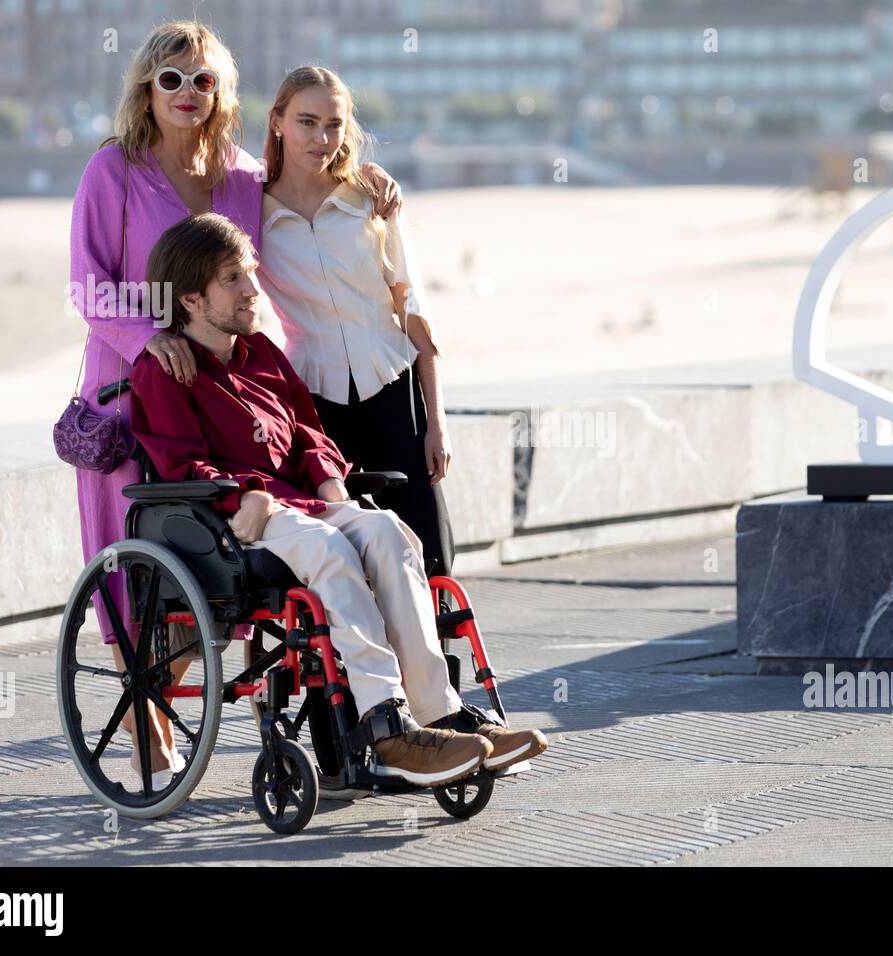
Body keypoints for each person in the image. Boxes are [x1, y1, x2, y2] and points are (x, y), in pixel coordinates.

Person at [69, 21, 400, 785]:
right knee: (132, 564)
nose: (188, 93)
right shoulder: (112, 171)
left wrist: (367, 184)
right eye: (171, 79)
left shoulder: (243, 175)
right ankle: (146, 715)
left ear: (222, 91)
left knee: (228, 552)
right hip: (130, 388)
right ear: (147, 89)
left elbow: (308, 181)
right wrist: (151, 336)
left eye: (203, 80)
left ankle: (284, 704)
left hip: (219, 392)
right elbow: (86, 283)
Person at [129, 212, 548, 785]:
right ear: (192, 300)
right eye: (233, 279)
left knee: (390, 533)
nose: (253, 289)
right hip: (236, 520)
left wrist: (330, 480)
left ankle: (440, 711)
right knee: (329, 547)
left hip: (302, 504)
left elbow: (306, 432)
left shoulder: (263, 354)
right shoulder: (164, 374)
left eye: (249, 273)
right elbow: (179, 464)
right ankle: (386, 726)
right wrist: (244, 494)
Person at [257, 66, 455, 579]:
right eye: (306, 121)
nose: (321, 138)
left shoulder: (372, 200)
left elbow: (414, 315)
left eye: (333, 124)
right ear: (277, 120)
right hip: (314, 406)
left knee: (428, 556)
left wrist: (437, 424)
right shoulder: (250, 213)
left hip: (395, 388)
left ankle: (435, 659)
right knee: (344, 555)